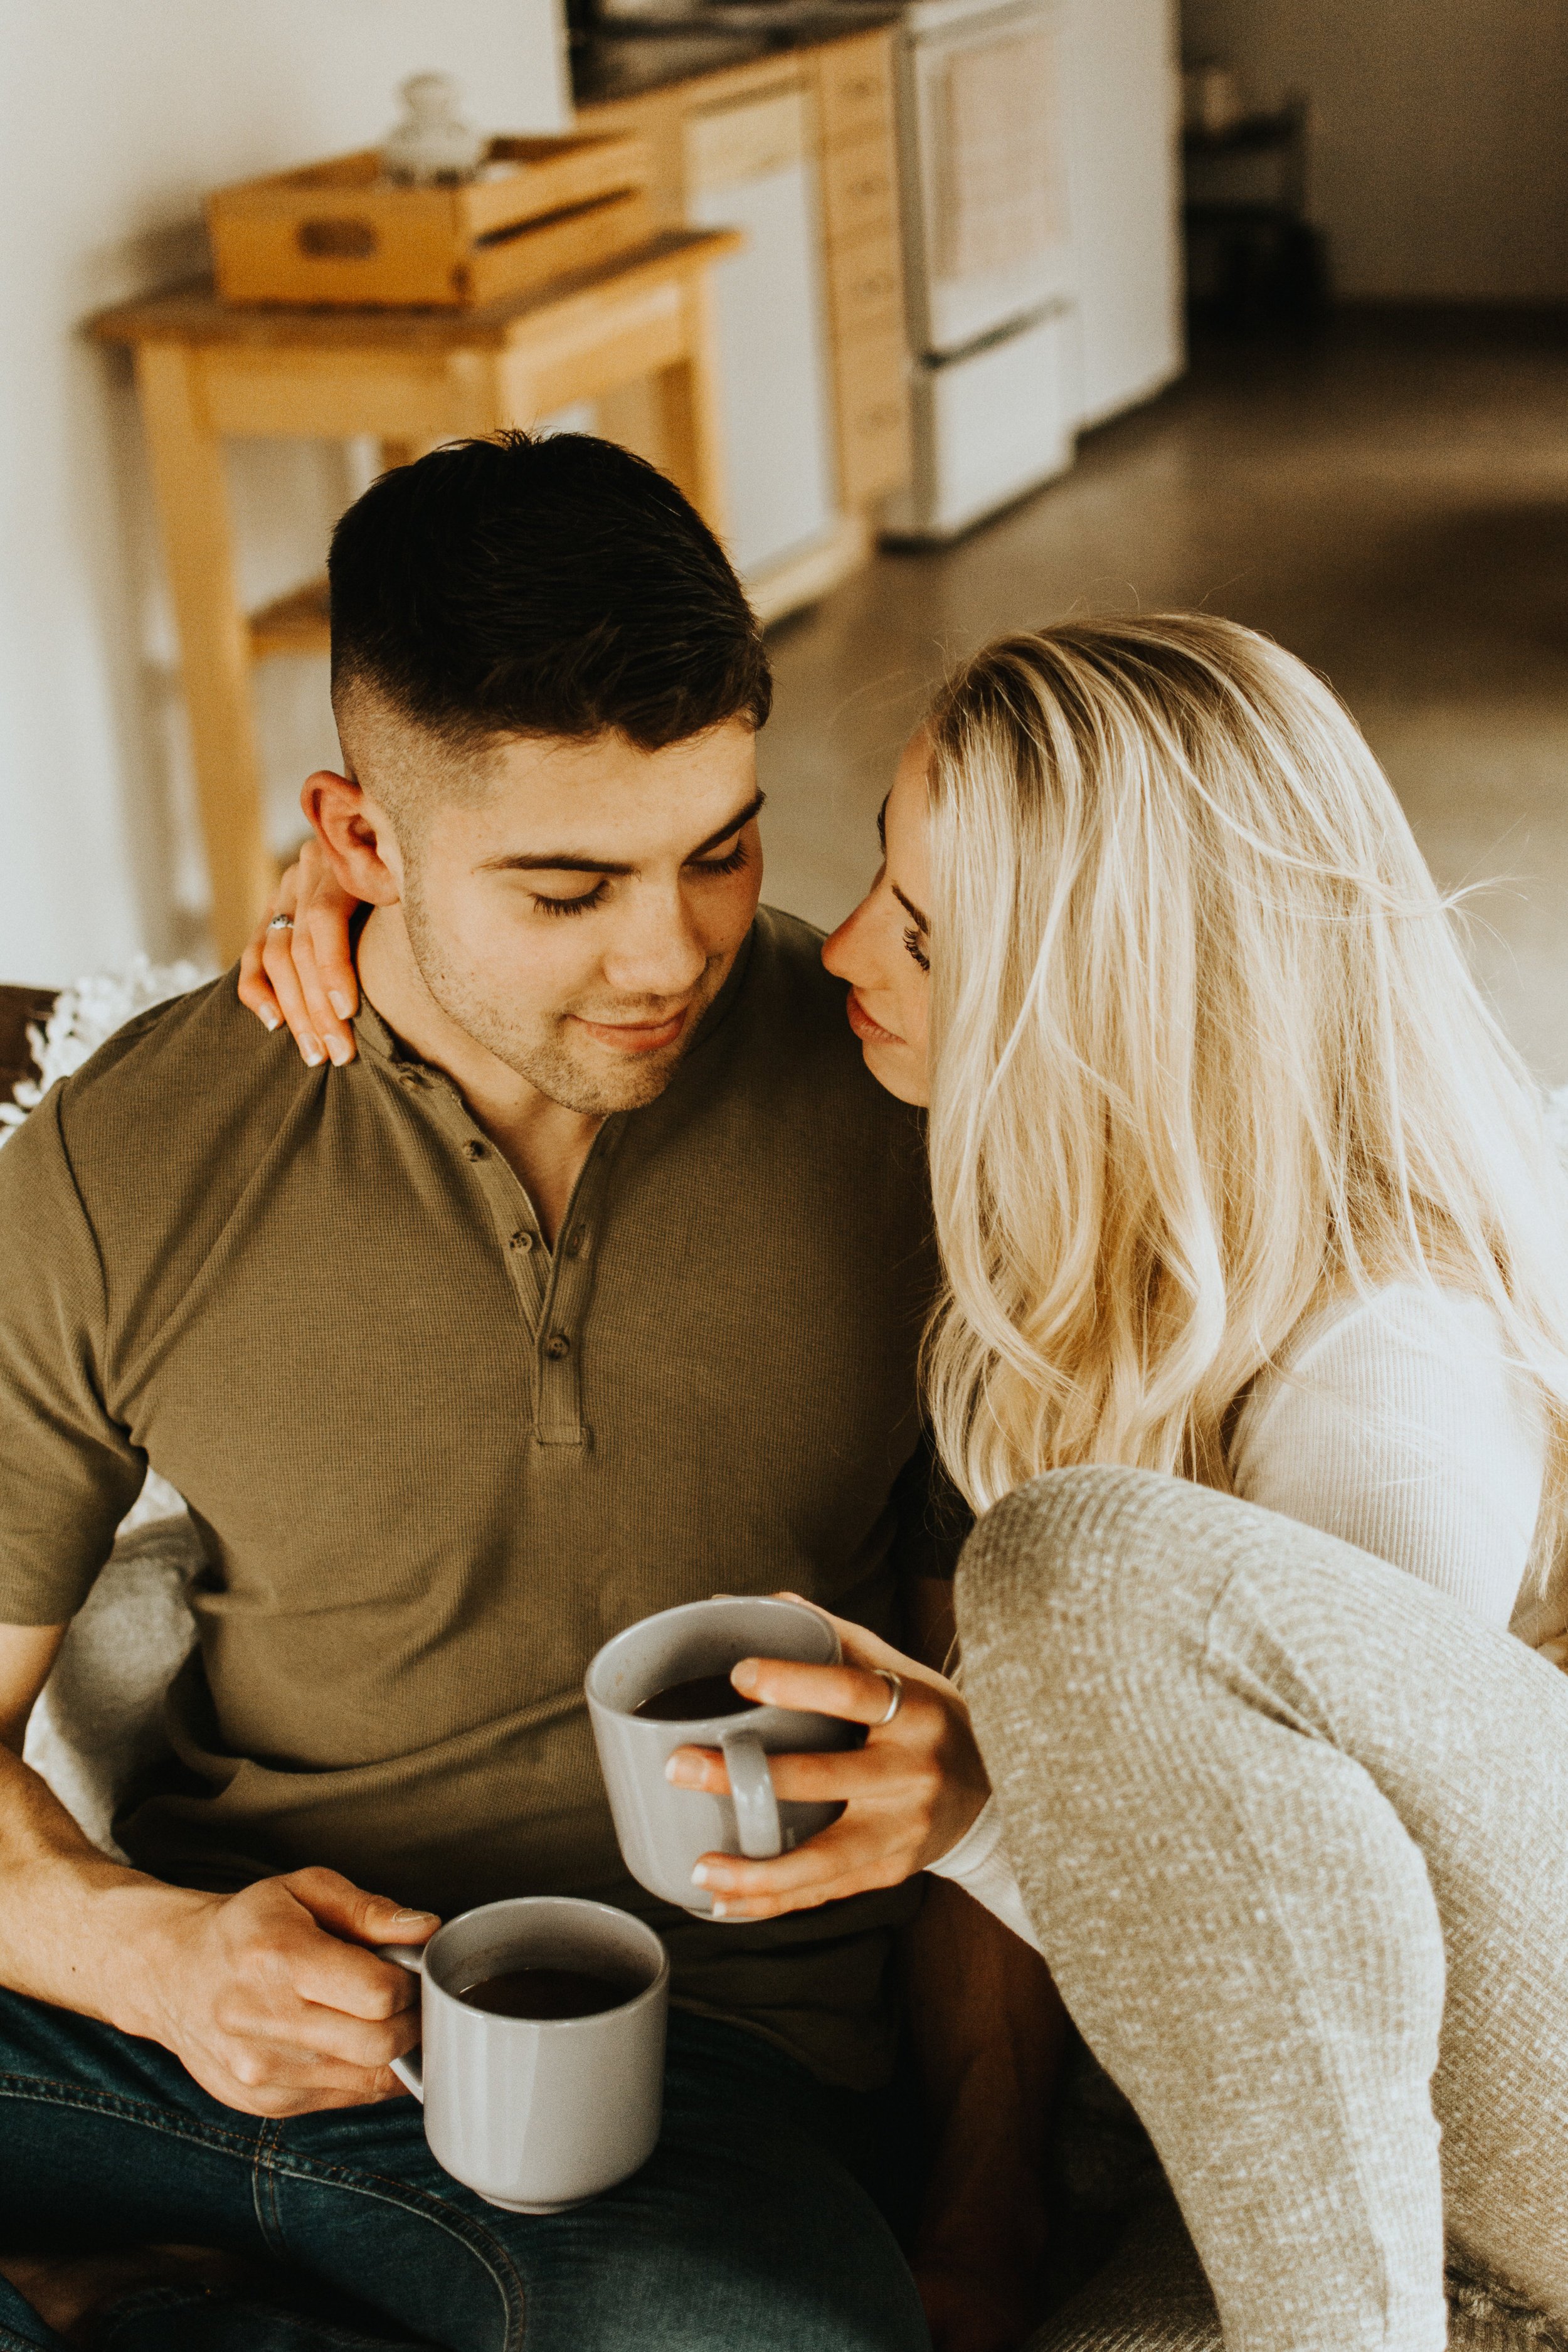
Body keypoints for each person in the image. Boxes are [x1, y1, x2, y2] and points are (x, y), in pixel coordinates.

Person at [257, 608, 1568, 2350]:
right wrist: (404, 902)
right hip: (1237, 2166)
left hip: (1474, 2153)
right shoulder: (1068, 1221)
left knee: (1065, 1563)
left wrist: (977, 1811)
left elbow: (1330, 2011)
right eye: (879, 872)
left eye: (932, 939)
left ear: (1098, 1013)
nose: (848, 943)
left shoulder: (1382, 1389)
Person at [0, 433, 1055, 2352]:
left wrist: (985, 2224)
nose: (667, 956)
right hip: (183, 2022)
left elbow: (967, 1742)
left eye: (719, 851)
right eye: (565, 889)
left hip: (693, 2085)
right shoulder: (117, 1161)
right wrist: (153, 1958)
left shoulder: (905, 1125)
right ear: (357, 843)